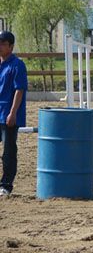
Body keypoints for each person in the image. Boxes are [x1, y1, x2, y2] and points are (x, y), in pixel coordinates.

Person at [0, 31, 27, 196]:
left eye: (2, 43)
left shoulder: (17, 65)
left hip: (8, 114)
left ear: (10, 46)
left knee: (8, 151)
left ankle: (6, 185)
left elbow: (19, 90)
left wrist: (13, 113)